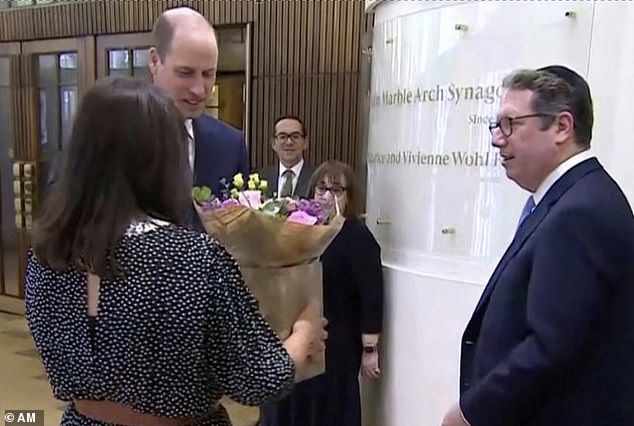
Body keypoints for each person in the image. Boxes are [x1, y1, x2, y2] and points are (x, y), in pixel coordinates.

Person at [25, 78, 326, 426]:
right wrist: (303, 334)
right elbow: (257, 382)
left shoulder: (47, 255)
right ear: (162, 160)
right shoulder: (193, 260)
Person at [442, 66, 634, 426]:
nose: (498, 139)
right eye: (496, 126)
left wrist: (472, 412)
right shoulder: (568, 199)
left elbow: (551, 346)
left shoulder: (580, 212)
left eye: (510, 124)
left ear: (562, 126)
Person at [261, 160, 384, 426]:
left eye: (337, 190)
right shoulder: (298, 230)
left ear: (350, 196)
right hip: (295, 337)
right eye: (321, 189)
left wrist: (370, 349)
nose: (327, 196)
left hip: (338, 344)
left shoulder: (358, 237)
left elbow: (371, 296)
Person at [148, 6, 248, 229]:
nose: (200, 90)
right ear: (155, 61)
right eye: (185, 73)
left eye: (208, 74)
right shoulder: (112, 136)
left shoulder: (230, 145)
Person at [259, 115, 315, 199]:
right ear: (273, 143)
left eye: (295, 136)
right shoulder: (260, 178)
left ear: (305, 142)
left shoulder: (317, 178)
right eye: (283, 137)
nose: (289, 142)